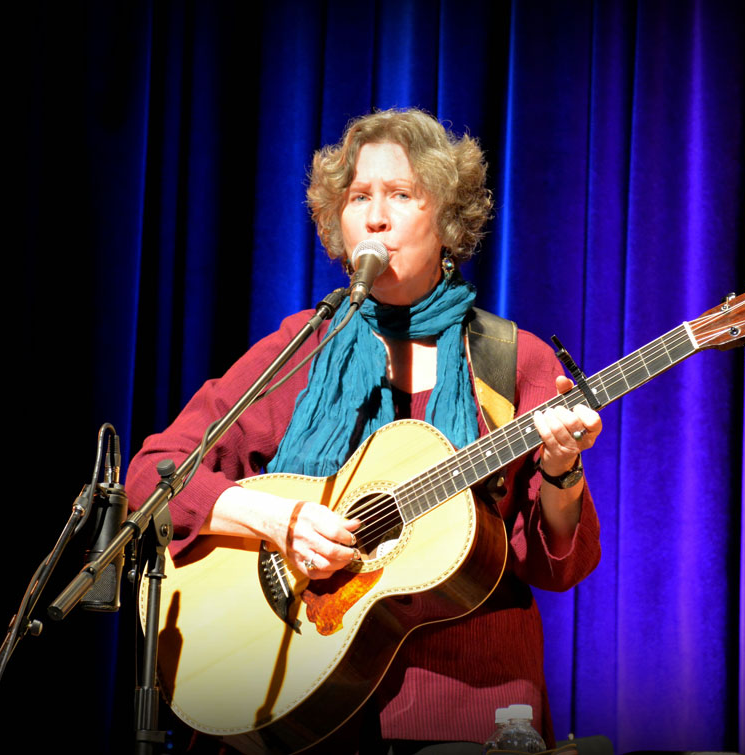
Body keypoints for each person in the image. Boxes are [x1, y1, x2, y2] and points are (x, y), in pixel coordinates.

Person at [126, 109, 601, 753]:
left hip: (463, 708)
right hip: (297, 694)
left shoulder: (512, 359)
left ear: (448, 222)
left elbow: (556, 564)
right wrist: (280, 521)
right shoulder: (299, 349)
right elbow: (155, 475)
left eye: (401, 195)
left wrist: (561, 472)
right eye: (358, 198)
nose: (375, 216)